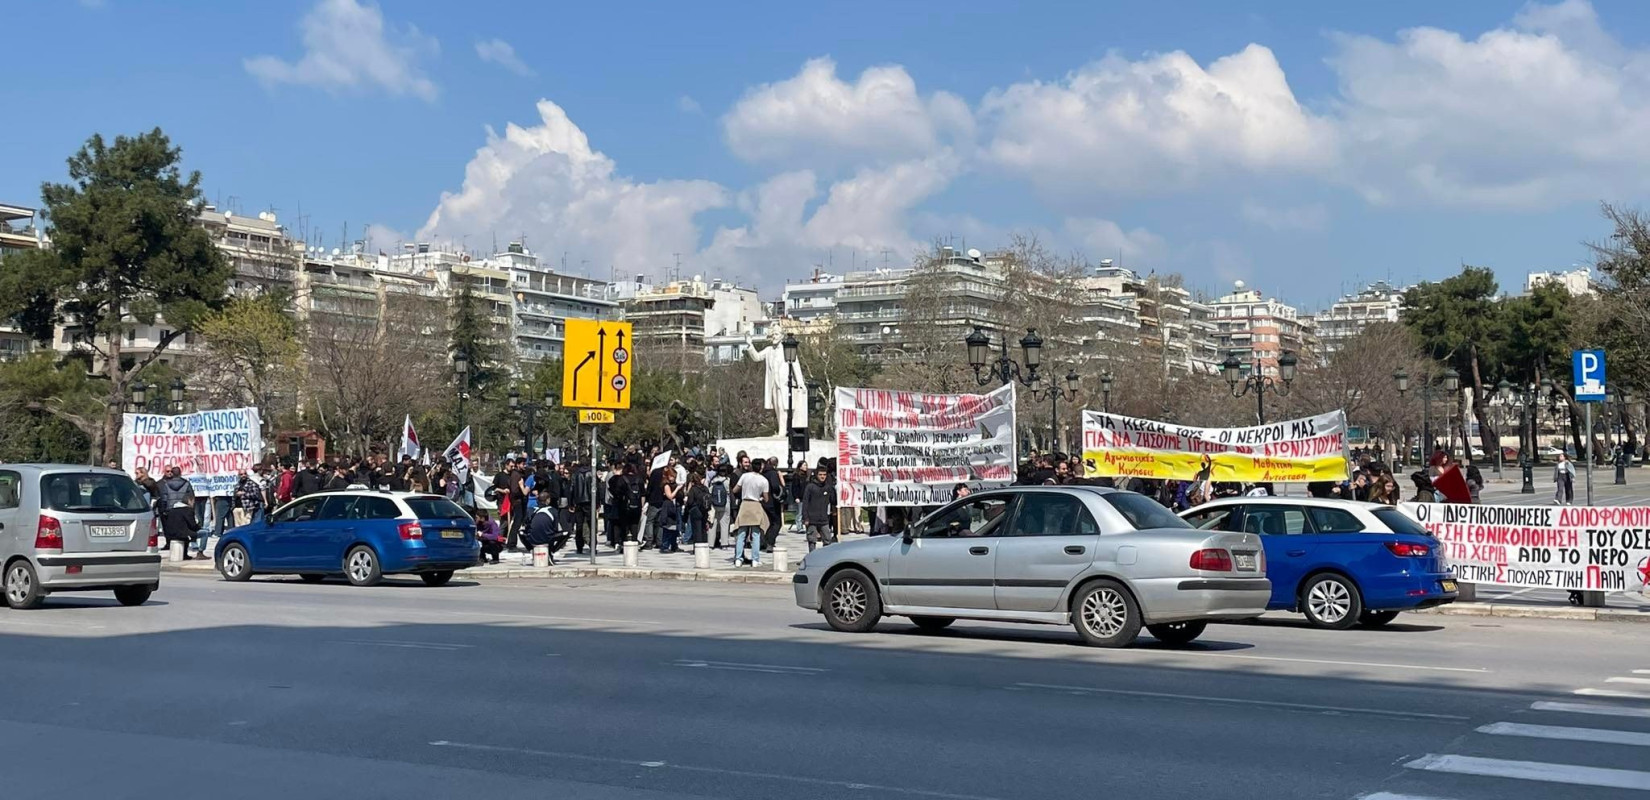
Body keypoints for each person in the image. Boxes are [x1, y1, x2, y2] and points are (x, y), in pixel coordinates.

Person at [156, 467, 201, 559]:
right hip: (184, 510)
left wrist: (164, 510)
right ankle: (185, 553)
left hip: (171, 510)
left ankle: (171, 547)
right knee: (185, 529)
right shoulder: (186, 483)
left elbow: (164, 498)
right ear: (180, 473)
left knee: (172, 530)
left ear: (172, 473)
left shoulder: (166, 484)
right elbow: (191, 496)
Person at [732, 461, 771, 567]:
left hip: (745, 504)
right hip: (756, 505)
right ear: (761, 468)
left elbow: (735, 489)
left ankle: (738, 559)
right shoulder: (764, 480)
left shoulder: (745, 476)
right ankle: (755, 559)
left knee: (741, 534)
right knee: (756, 534)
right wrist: (761, 497)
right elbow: (766, 498)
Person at [801, 467, 835, 551]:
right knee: (812, 540)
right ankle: (812, 556)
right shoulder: (810, 487)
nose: (822, 477)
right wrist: (805, 517)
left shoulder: (828, 487)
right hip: (811, 518)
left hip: (824, 519)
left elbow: (833, 500)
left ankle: (826, 556)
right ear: (816, 475)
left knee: (827, 538)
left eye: (824, 475)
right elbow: (805, 502)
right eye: (820, 475)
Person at [760, 458, 784, 552]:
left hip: (765, 501)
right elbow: (775, 486)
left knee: (771, 522)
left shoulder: (764, 473)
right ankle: (769, 542)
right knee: (777, 523)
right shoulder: (773, 473)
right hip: (773, 501)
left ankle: (765, 541)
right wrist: (780, 491)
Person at [683, 470, 711, 549]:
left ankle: (697, 547)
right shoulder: (705, 488)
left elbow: (690, 502)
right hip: (705, 510)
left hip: (695, 510)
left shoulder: (693, 489)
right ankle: (704, 545)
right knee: (703, 529)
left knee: (696, 529)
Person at [709, 464, 732, 549]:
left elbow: (710, 492)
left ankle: (711, 544)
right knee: (725, 524)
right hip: (725, 504)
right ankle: (724, 543)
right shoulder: (727, 480)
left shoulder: (713, 480)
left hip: (714, 504)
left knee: (712, 523)